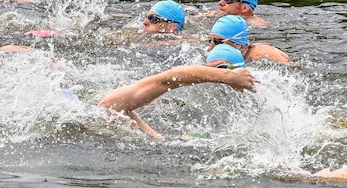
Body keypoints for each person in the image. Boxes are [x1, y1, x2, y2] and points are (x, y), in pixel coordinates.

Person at [96, 44, 258, 139]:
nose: (213, 80)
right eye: (207, 73)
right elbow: (109, 106)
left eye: (220, 70)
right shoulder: (199, 110)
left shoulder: (259, 109)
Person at [209, 15, 290, 64]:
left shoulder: (261, 54)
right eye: (210, 41)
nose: (210, 48)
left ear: (237, 44)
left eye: (217, 42)